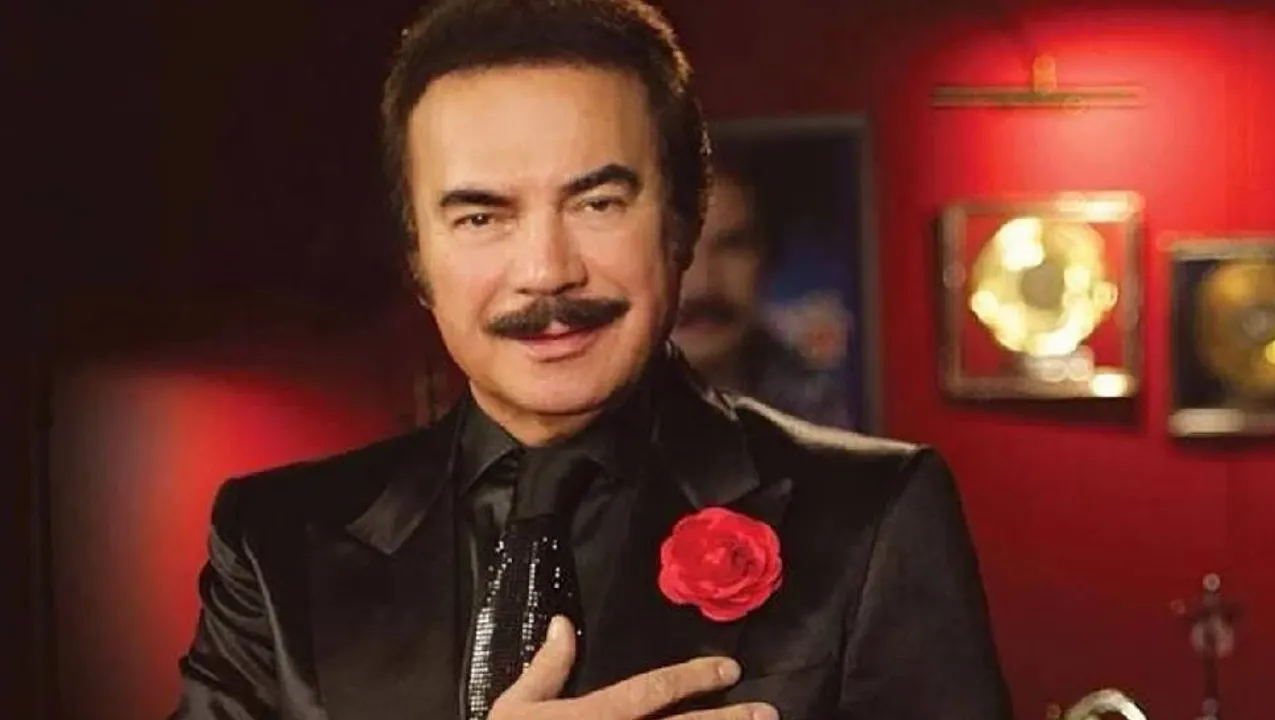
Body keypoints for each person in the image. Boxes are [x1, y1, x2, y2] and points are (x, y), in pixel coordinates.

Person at [171, 1, 1013, 718]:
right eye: (481, 218)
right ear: (417, 257)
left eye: (598, 202)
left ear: (682, 222)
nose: (546, 271)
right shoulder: (273, 541)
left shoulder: (873, 516)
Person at [671, 148, 852, 429]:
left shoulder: (812, 407)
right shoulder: (599, 416)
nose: (704, 284)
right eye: (679, 246)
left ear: (766, 258)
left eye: (732, 245)